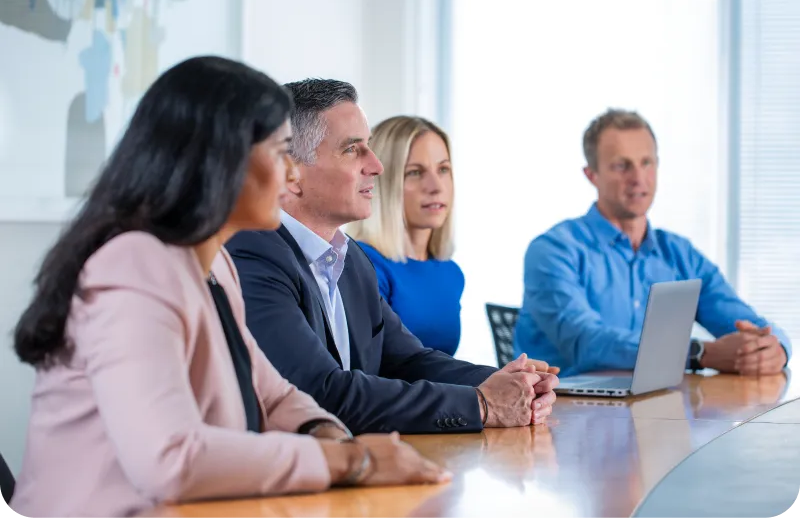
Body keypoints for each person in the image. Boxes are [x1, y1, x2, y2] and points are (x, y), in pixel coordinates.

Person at [9, 58, 449, 518]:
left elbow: (275, 396)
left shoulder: (215, 263)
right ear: (220, 161)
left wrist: (334, 441)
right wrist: (351, 462)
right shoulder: (133, 264)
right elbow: (171, 459)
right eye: (280, 153)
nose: (293, 175)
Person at [227, 79, 559, 436]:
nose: (376, 166)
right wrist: (481, 404)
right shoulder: (253, 255)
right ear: (292, 173)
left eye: (368, 147)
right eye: (352, 150)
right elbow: (319, 392)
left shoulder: (349, 258)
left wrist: (507, 381)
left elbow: (407, 360)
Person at [513, 108, 792, 377]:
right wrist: (698, 353)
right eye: (622, 166)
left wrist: (774, 348)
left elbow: (744, 322)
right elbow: (587, 342)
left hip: (661, 402)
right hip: (565, 405)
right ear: (592, 175)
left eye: (646, 162)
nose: (638, 178)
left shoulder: (680, 255)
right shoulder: (553, 252)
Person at [347, 115, 464, 356]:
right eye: (415, 172)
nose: (436, 186)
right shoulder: (362, 266)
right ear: (381, 181)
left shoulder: (451, 272)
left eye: (443, 169)